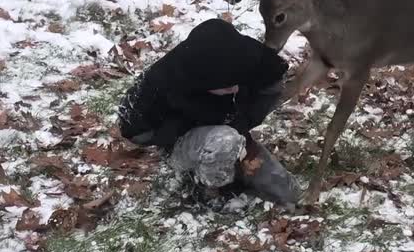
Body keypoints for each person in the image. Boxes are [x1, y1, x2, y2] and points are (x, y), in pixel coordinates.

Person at [117, 18, 300, 208]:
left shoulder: (247, 55)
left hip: (228, 119)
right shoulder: (163, 85)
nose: (234, 88)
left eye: (237, 81)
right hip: (181, 133)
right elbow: (132, 129)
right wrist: (188, 129)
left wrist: (242, 123)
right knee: (224, 141)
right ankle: (212, 189)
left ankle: (231, 153)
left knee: (289, 191)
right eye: (226, 86)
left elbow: (274, 79)